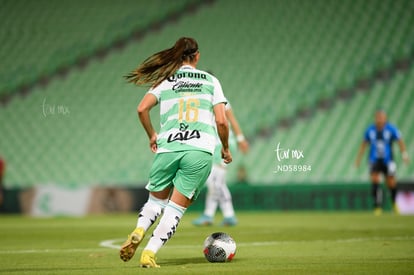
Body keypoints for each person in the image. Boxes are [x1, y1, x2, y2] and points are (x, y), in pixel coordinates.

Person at [119, 37, 232, 268]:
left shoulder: (165, 80)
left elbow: (142, 108)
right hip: (199, 151)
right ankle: (149, 253)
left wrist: (152, 135)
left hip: (168, 148)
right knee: (175, 208)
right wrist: (226, 148)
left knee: (155, 202)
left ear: (178, 56)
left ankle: (140, 229)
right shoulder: (211, 81)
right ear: (197, 56)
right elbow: (221, 120)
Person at [193, 102, 249, 226]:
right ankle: (227, 215)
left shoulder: (221, 99)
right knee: (217, 182)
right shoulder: (202, 98)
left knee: (215, 182)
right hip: (212, 144)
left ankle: (210, 215)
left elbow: (231, 119)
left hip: (223, 144)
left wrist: (240, 139)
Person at [355, 110, 409, 215]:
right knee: (375, 180)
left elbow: (400, 141)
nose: (379, 119)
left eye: (381, 117)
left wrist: (404, 155)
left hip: (388, 160)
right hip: (374, 160)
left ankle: (394, 203)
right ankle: (377, 207)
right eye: (377, 117)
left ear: (385, 118)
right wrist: (358, 159)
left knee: (391, 182)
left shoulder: (391, 129)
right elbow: (364, 144)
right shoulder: (370, 130)